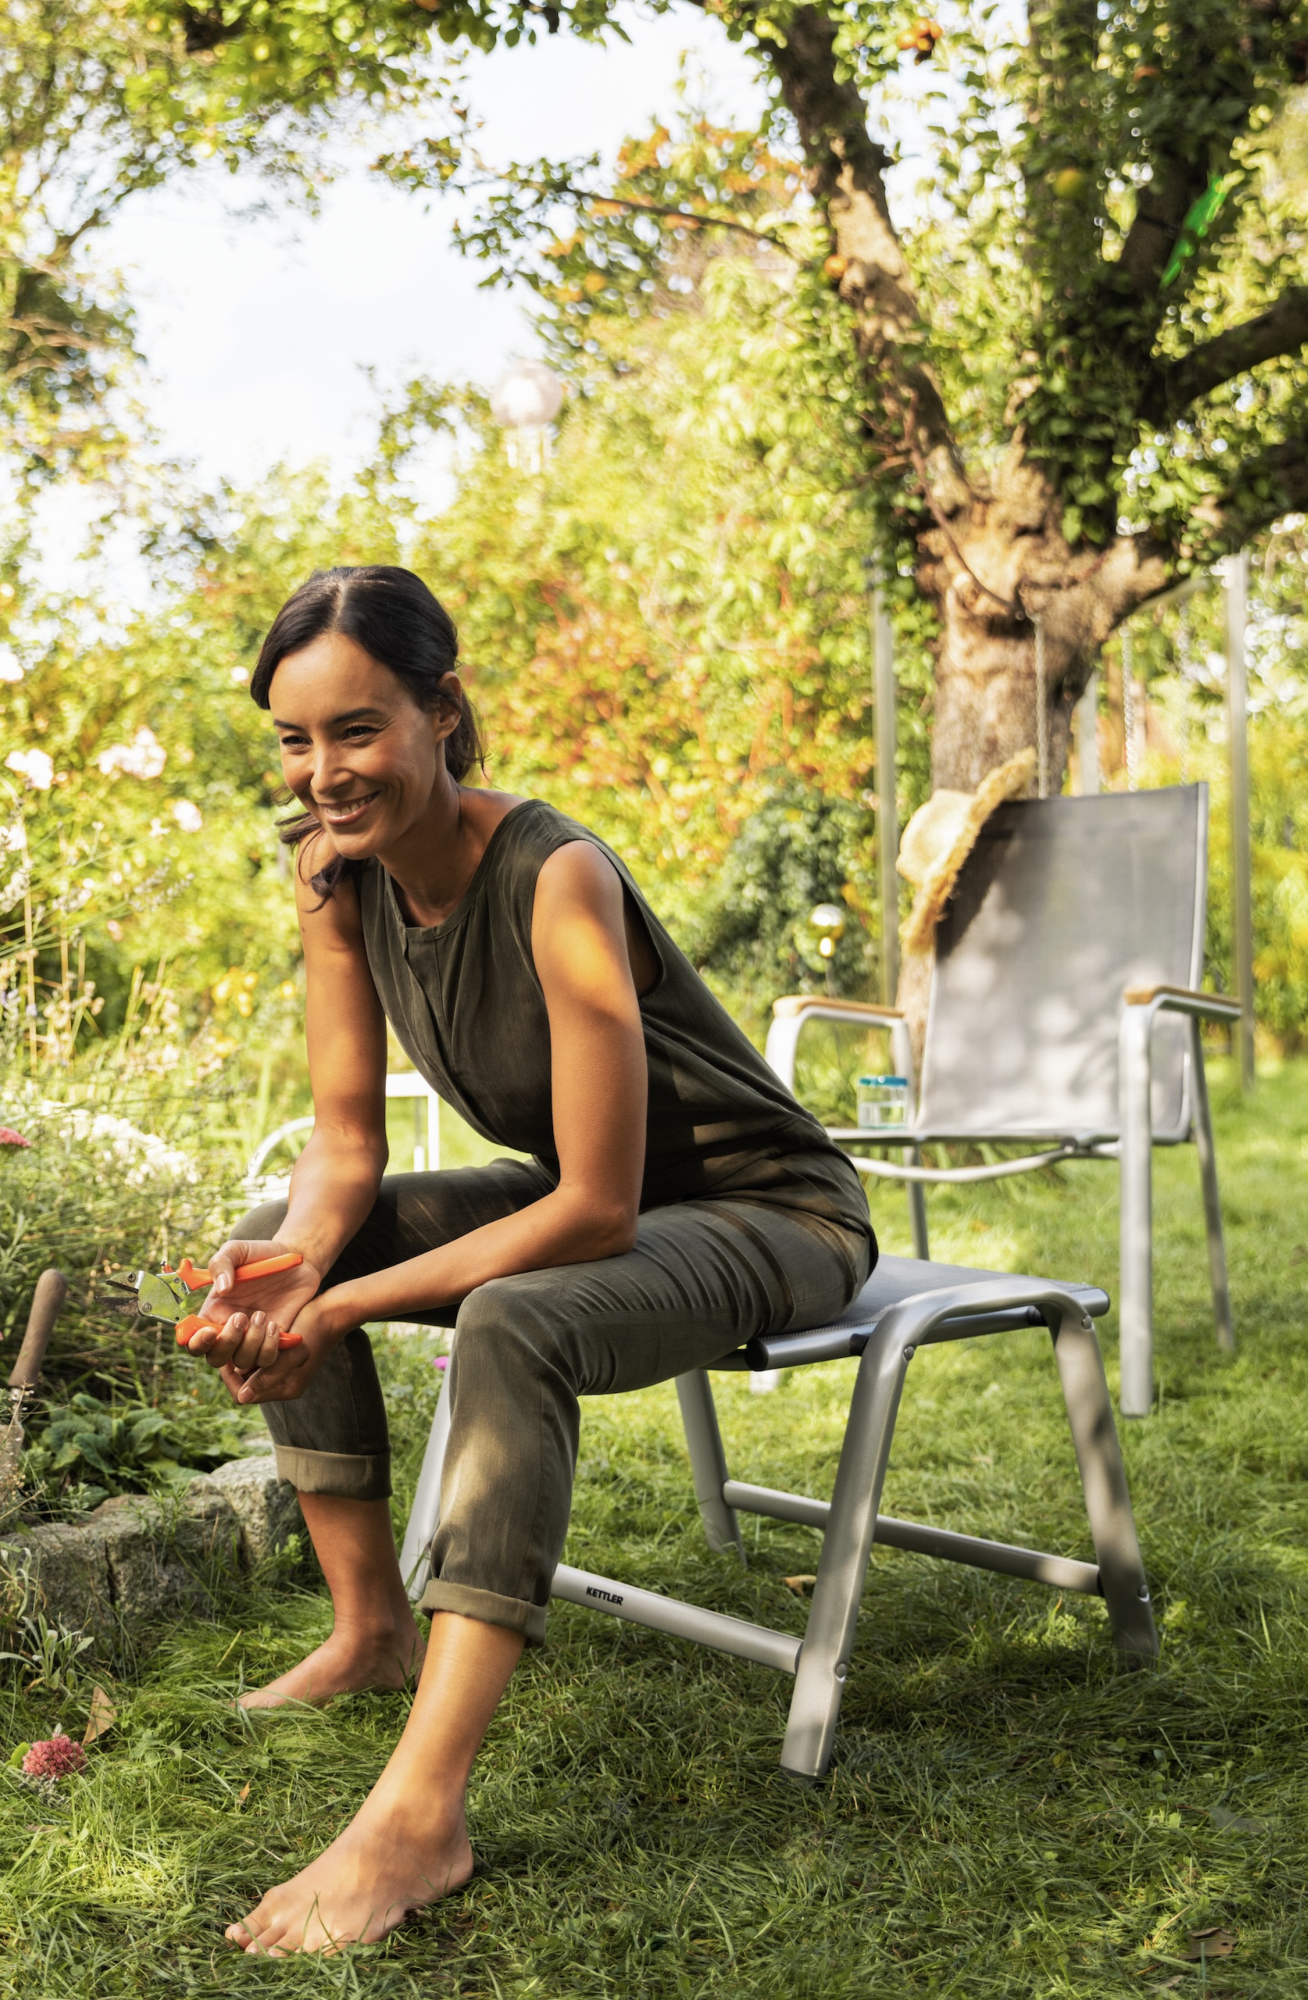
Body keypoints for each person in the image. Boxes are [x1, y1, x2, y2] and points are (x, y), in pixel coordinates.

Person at [188, 565, 877, 1954]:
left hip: (769, 1209)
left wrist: (343, 1304)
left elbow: (595, 1215)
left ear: (442, 712)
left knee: (512, 1317)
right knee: (274, 1240)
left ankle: (418, 1819)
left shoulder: (558, 876)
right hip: (595, 1195)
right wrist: (294, 1272)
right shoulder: (336, 881)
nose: (323, 773)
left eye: (358, 729)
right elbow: (344, 1141)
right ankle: (371, 1631)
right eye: (295, 740)